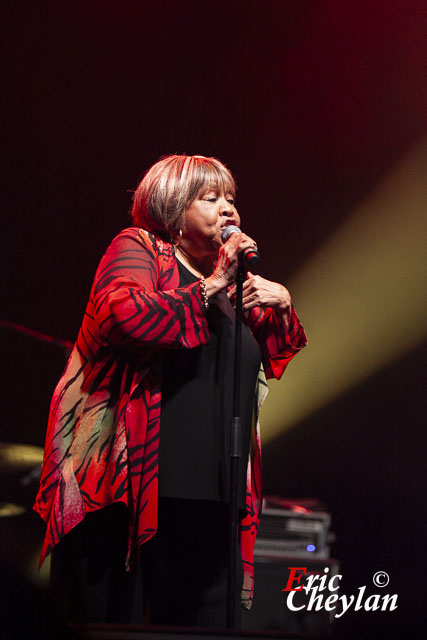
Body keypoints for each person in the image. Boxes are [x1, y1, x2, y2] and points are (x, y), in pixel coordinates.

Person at [34, 154, 307, 627]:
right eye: (210, 198)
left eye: (231, 200)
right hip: (128, 491)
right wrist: (216, 283)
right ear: (172, 210)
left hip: (215, 497)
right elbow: (123, 313)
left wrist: (281, 302)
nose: (228, 210)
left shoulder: (232, 283)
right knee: (114, 621)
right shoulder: (139, 247)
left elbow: (279, 353)